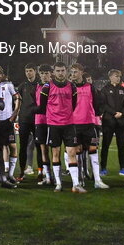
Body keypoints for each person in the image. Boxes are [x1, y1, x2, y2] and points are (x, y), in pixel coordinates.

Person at [38, 62, 80, 192]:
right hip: (54, 125)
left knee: (72, 153)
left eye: (62, 70)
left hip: (69, 124)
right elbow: (43, 106)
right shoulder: (47, 87)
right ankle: (58, 183)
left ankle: (75, 184)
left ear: (66, 71)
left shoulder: (72, 86)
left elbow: (74, 104)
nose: (60, 73)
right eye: (58, 71)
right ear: (54, 72)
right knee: (55, 153)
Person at [72, 66, 109, 189]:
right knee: (78, 153)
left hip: (89, 124)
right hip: (75, 125)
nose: (73, 74)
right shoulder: (69, 87)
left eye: (75, 71)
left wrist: (97, 114)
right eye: (71, 72)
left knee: (93, 151)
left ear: (81, 72)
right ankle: (80, 178)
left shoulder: (90, 87)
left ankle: (97, 180)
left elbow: (99, 102)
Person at [0, 65, 21, 184]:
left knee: (13, 147)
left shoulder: (8, 86)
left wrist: (15, 113)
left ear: (1, 75)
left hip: (7, 121)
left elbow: (18, 98)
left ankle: (10, 174)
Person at [98, 68, 124, 177]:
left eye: (119, 76)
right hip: (108, 121)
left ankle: (123, 168)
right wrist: (114, 112)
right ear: (110, 77)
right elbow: (103, 104)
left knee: (121, 146)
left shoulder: (123, 89)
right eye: (116, 76)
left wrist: (122, 113)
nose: (118, 78)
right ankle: (103, 168)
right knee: (105, 145)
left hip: (121, 122)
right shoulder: (104, 90)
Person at [15, 63, 40, 180]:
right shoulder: (22, 86)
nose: (28, 73)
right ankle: (21, 172)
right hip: (24, 119)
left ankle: (41, 172)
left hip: (37, 119)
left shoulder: (40, 85)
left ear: (35, 71)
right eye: (27, 71)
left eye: (30, 71)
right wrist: (16, 114)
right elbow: (17, 102)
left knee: (40, 146)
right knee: (23, 146)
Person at [33, 65, 53, 183]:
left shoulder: (53, 86)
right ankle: (47, 176)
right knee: (43, 149)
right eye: (42, 73)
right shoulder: (37, 87)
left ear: (51, 74)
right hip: (40, 121)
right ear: (39, 74)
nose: (44, 76)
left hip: (52, 121)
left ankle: (54, 175)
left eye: (47, 73)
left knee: (54, 149)